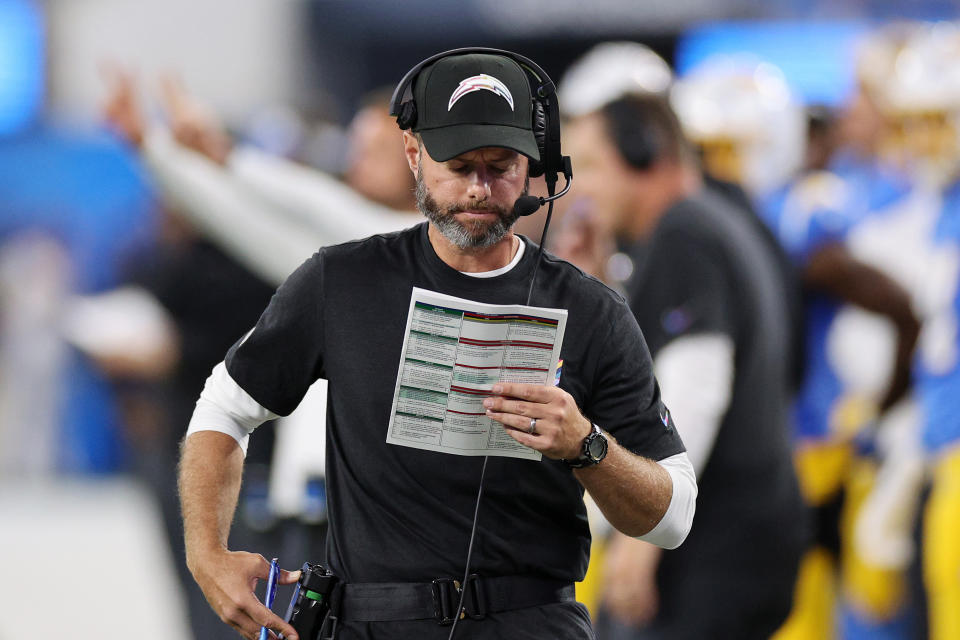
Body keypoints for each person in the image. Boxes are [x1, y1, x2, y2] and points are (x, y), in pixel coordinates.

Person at [178, 49, 697, 640]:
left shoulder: (593, 310)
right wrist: (206, 555)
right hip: (372, 622)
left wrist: (587, 446)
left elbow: (673, 515)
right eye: (458, 164)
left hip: (530, 623)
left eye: (500, 166)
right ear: (413, 155)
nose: (479, 189)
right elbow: (225, 406)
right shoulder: (342, 281)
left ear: (535, 166)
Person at [562, 93, 806, 639]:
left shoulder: (683, 235)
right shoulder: (717, 223)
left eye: (595, 165)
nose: (584, 187)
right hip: (747, 537)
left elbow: (696, 388)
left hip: (713, 549)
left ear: (648, 154)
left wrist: (641, 534)